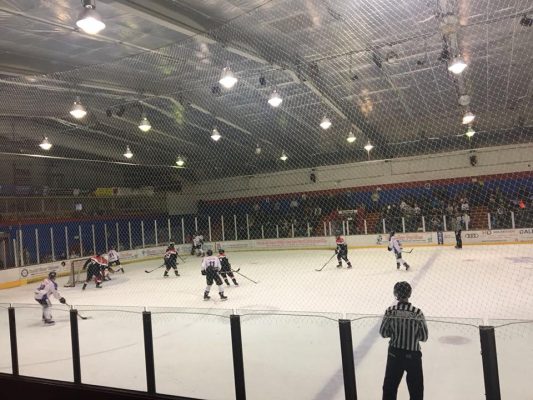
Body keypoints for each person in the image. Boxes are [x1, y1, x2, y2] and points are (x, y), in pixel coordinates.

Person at [380, 281, 428, 400]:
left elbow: (383, 333)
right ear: (409, 294)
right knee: (416, 391)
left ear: (396, 294)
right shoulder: (417, 313)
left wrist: (395, 332)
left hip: (394, 354)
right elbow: (424, 337)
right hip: (413, 356)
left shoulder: (390, 311)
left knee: (389, 389)